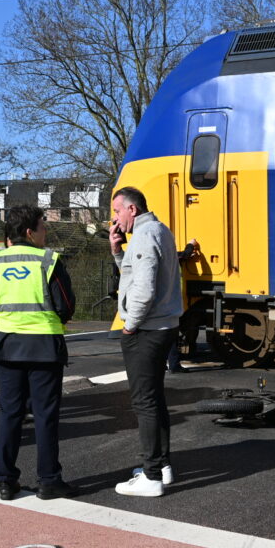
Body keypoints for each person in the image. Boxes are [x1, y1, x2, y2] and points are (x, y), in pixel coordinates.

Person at [0, 205, 78, 501]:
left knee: (10, 414)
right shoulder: (48, 260)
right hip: (44, 346)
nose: (46, 232)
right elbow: (66, 304)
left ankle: (6, 480)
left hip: (7, 346)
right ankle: (49, 480)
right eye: (44, 226)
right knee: (45, 416)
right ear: (30, 232)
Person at [109, 187, 183, 497]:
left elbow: (143, 289)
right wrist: (116, 252)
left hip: (147, 329)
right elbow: (134, 274)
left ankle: (151, 476)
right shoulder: (158, 230)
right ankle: (161, 467)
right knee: (155, 398)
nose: (114, 219)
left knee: (144, 401)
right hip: (163, 326)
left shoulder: (144, 235)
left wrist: (130, 326)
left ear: (132, 210)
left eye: (117, 212)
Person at [166, 238, 199, 373]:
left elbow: (183, 255)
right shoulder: (171, 256)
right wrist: (191, 244)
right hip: (171, 301)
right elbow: (183, 255)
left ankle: (160, 364)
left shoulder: (159, 256)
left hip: (161, 301)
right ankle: (174, 365)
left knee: (160, 335)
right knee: (171, 334)